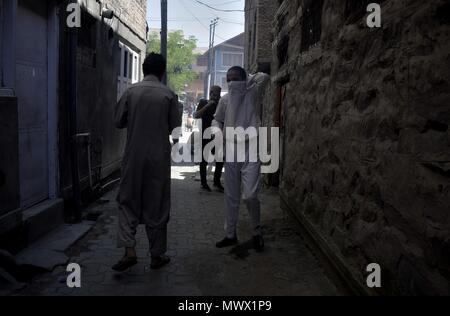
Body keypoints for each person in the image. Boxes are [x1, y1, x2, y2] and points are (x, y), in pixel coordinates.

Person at [112, 53, 181, 272]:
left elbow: (117, 121)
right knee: (158, 204)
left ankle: (129, 250)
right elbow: (176, 131)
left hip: (133, 156)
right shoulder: (169, 95)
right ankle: (156, 255)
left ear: (143, 69)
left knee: (126, 200)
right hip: (158, 157)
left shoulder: (131, 92)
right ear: (162, 72)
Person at [212, 66, 270, 253]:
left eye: (235, 78)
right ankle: (230, 234)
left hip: (251, 147)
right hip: (231, 148)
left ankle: (256, 231)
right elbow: (217, 119)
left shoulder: (253, 92)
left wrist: (248, 80)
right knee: (231, 195)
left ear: (244, 79)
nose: (231, 83)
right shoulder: (225, 99)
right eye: (229, 79)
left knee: (250, 195)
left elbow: (265, 77)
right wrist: (217, 131)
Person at [194, 86, 225, 193]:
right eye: (213, 93)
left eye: (217, 94)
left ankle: (216, 182)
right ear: (210, 93)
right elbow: (196, 115)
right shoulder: (204, 102)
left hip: (218, 134)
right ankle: (203, 183)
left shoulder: (222, 103)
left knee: (220, 160)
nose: (215, 96)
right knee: (204, 160)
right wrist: (208, 105)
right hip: (206, 135)